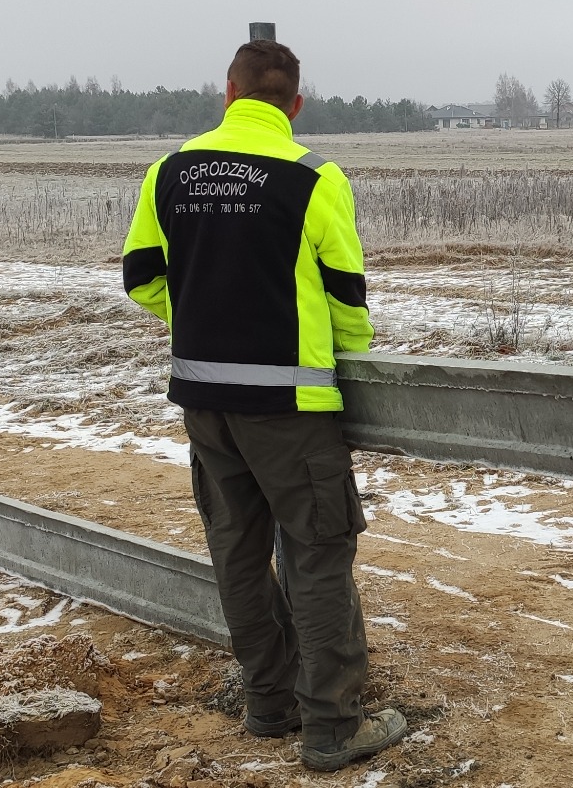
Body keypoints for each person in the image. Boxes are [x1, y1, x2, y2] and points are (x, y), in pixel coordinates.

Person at [121, 39, 405, 772]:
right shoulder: (315, 178)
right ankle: (333, 725)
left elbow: (142, 278)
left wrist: (199, 320)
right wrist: (344, 356)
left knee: (237, 551)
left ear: (229, 92)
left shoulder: (170, 171)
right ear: (295, 104)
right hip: (291, 406)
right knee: (316, 552)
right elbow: (347, 299)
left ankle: (269, 702)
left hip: (204, 402)